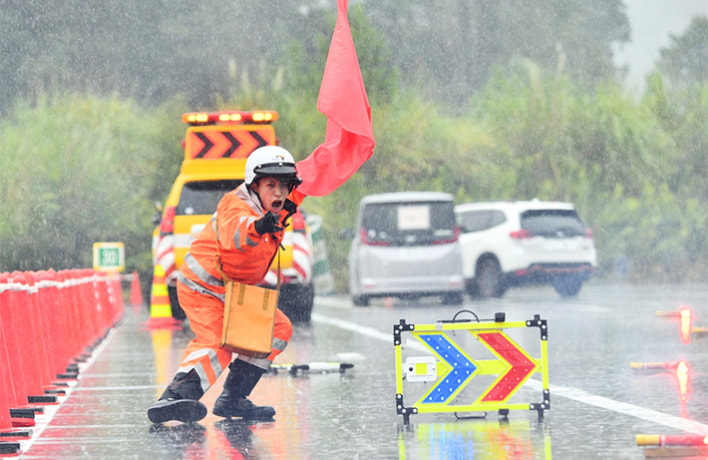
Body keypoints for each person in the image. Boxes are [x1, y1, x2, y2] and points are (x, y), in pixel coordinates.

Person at [147, 145, 306, 424]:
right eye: (271, 185)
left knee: (278, 329)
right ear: (254, 185)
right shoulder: (235, 204)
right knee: (217, 341)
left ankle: (233, 397)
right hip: (202, 287)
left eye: (284, 186)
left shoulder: (276, 210)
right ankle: (174, 396)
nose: (279, 193)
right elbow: (237, 231)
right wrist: (260, 226)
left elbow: (317, 174)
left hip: (235, 293)